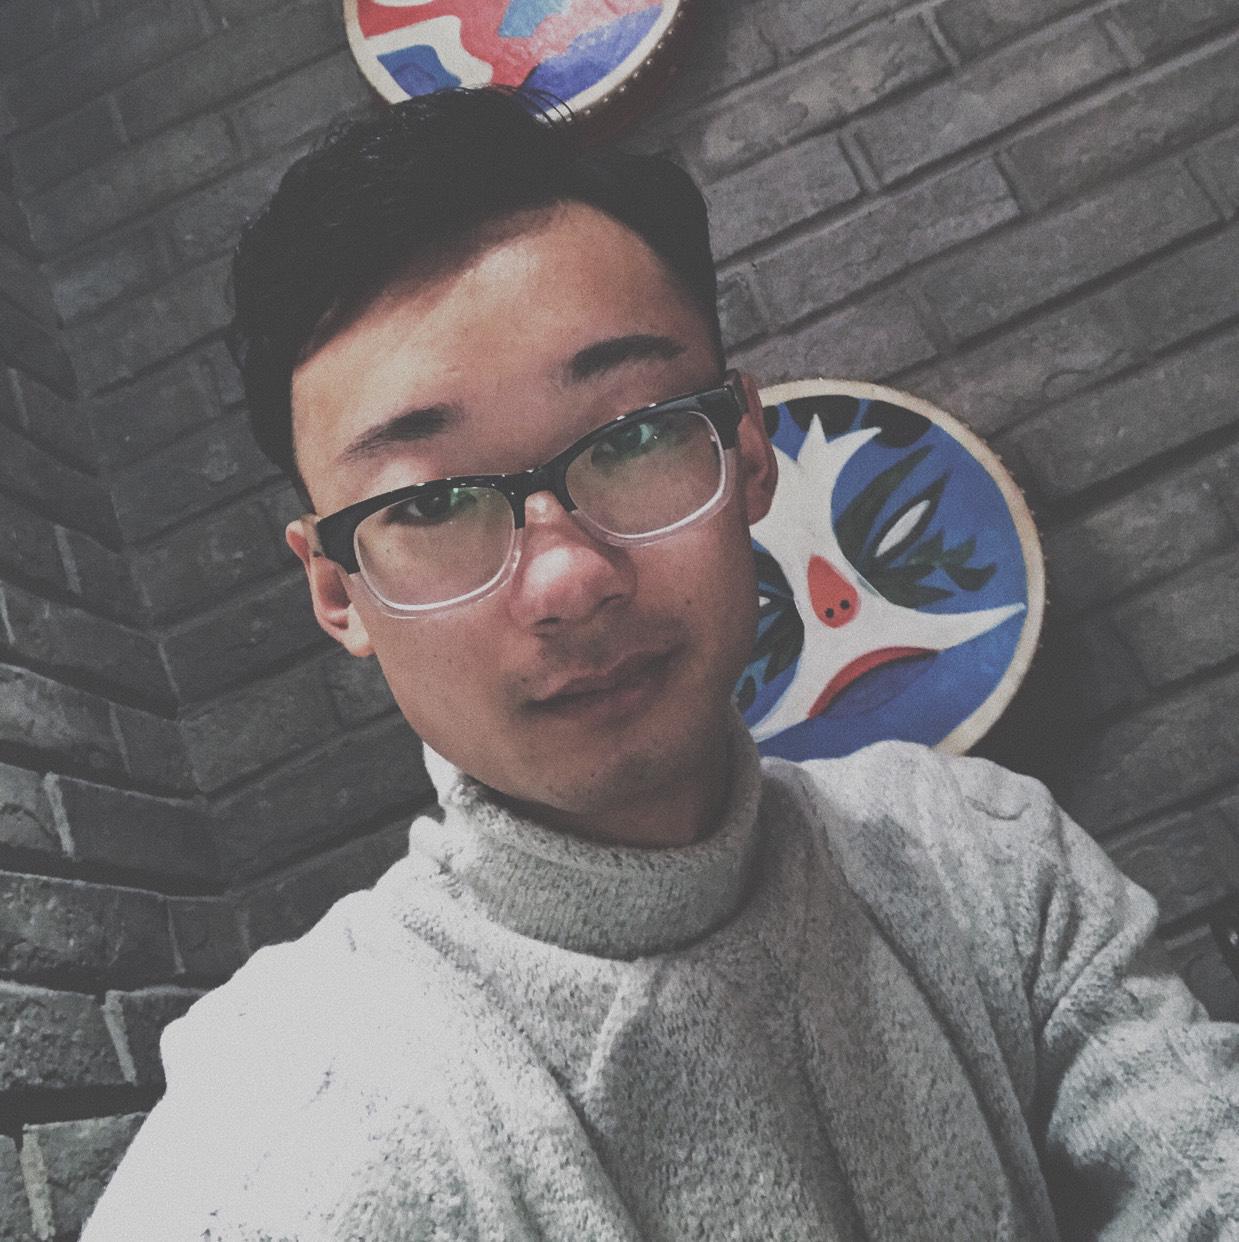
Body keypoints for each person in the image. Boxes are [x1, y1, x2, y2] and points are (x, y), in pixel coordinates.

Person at [83, 88, 1239, 1241]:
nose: (567, 579)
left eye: (634, 436)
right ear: (338, 590)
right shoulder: (302, 1125)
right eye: (430, 504)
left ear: (747, 450)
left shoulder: (986, 858)